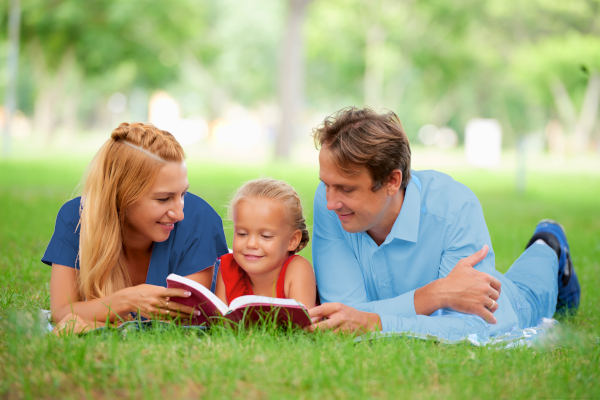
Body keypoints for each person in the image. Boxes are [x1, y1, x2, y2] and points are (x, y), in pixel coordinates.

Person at [308, 107, 580, 340]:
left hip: (511, 304)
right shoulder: (330, 201)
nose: (331, 202)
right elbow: (343, 311)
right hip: (438, 295)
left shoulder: (454, 206)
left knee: (535, 278)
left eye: (346, 189)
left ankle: (550, 242)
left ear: (392, 181)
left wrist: (376, 323)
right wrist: (436, 295)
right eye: (326, 185)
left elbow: (475, 326)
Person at [43, 122, 229, 333]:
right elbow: (62, 312)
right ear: (122, 195)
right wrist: (127, 300)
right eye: (164, 199)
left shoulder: (200, 220)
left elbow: (182, 319)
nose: (179, 214)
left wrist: (100, 316)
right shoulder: (75, 218)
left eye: (182, 194)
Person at [214, 178, 316, 309]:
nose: (251, 244)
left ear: (292, 240)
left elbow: (303, 324)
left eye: (266, 236)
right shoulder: (228, 268)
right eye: (242, 234)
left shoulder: (297, 269)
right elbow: (221, 324)